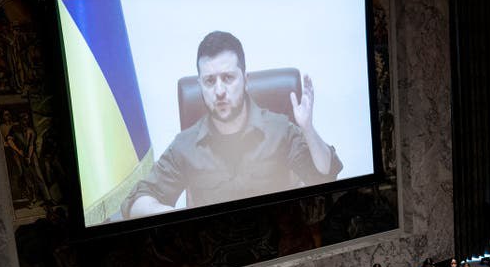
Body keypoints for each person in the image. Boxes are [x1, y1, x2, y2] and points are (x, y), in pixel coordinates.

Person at [121, 31, 341, 218]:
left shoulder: (279, 129)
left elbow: (324, 174)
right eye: (209, 81)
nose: (219, 91)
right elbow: (136, 201)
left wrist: (308, 129)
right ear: (200, 85)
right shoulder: (185, 145)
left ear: (246, 79)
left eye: (228, 78)